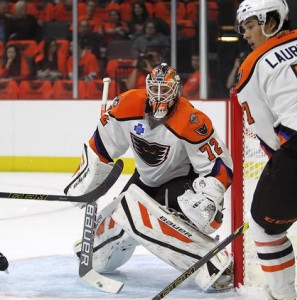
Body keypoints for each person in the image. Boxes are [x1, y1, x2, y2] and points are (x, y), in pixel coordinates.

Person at [64, 63, 234, 292]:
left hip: (181, 184)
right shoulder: (127, 104)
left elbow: (219, 166)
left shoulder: (191, 120)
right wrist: (85, 183)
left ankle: (209, 261)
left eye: (166, 89)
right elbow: (102, 147)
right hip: (144, 180)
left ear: (177, 90)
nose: (160, 95)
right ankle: (96, 248)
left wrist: (208, 197)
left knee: (133, 209)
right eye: (155, 88)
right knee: (101, 246)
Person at [235, 1, 297, 299]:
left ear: (270, 21)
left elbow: (264, 130)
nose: (246, 35)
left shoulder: (252, 64)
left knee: (264, 228)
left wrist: (282, 172)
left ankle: (283, 296)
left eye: (249, 26)